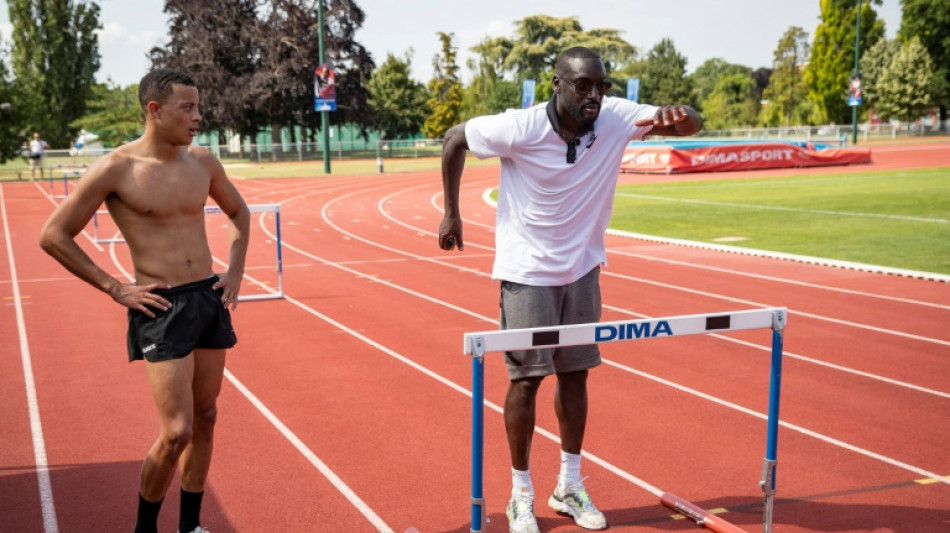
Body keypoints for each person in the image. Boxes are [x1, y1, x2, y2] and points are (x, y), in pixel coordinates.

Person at [438, 47, 702, 533]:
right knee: (525, 382)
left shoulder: (616, 117)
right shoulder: (519, 127)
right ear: (556, 84)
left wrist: (681, 116)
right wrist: (452, 212)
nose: (595, 96)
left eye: (601, 85)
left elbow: (690, 126)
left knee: (576, 375)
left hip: (582, 268)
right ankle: (521, 494)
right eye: (583, 85)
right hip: (527, 271)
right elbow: (455, 139)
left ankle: (569, 485)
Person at [39, 68, 250, 533]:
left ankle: (190, 526)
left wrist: (234, 271)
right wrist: (115, 287)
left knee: (207, 416)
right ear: (155, 110)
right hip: (162, 306)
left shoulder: (204, 162)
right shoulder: (117, 167)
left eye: (199, 106)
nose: (199, 117)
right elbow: (54, 235)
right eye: (187, 108)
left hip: (207, 298)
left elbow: (238, 211)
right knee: (176, 433)